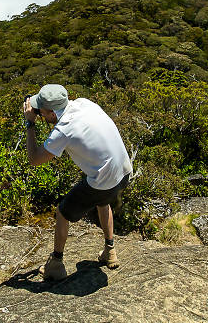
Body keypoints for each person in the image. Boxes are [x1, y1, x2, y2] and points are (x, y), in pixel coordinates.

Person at [23, 84, 133, 280]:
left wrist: (30, 124)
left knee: (62, 212)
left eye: (41, 113)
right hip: (124, 172)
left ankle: (56, 264)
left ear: (51, 113)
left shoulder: (64, 128)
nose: (40, 116)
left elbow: (34, 159)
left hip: (104, 180)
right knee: (102, 200)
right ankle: (110, 250)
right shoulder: (84, 103)